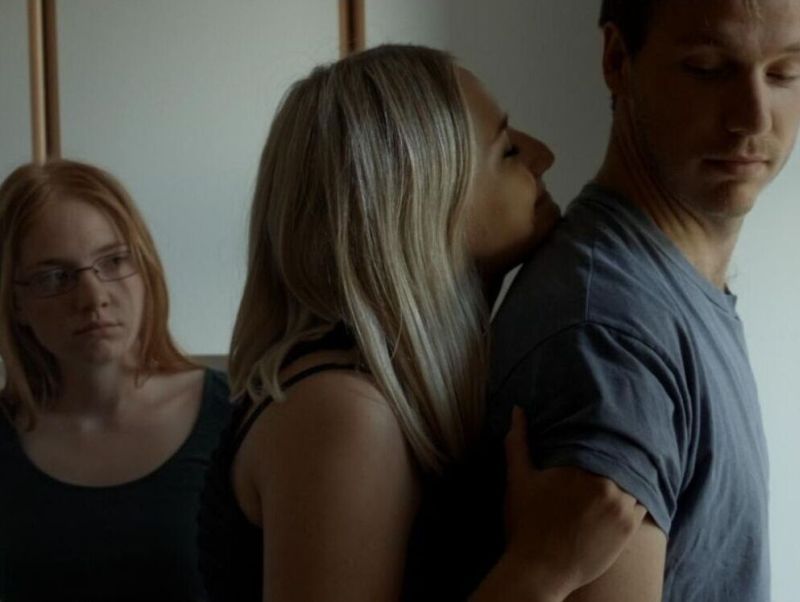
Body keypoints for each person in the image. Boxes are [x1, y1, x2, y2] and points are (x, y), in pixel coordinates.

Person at [198, 44, 647, 602]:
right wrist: (543, 567)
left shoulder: (375, 396)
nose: (543, 155)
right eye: (507, 151)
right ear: (421, 203)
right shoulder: (344, 413)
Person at [489, 0, 800, 600]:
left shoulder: (665, 290)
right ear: (616, 60)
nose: (753, 118)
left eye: (786, 73)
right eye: (708, 68)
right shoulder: (608, 340)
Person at [0, 160, 232, 602]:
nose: (93, 298)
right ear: (15, 303)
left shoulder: (235, 418)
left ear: (145, 267)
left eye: (113, 261)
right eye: (54, 277)